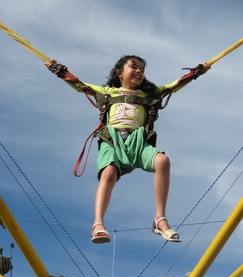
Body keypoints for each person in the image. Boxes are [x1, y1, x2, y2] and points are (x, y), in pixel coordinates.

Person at [45, 55, 210, 244]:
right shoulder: (107, 92)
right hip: (112, 139)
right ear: (119, 72)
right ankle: (98, 223)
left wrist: (197, 72)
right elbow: (79, 84)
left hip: (138, 140)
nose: (139, 71)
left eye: (141, 69)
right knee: (109, 173)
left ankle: (160, 219)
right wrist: (57, 70)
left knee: (163, 161)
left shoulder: (150, 94)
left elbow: (175, 85)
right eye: (134, 67)